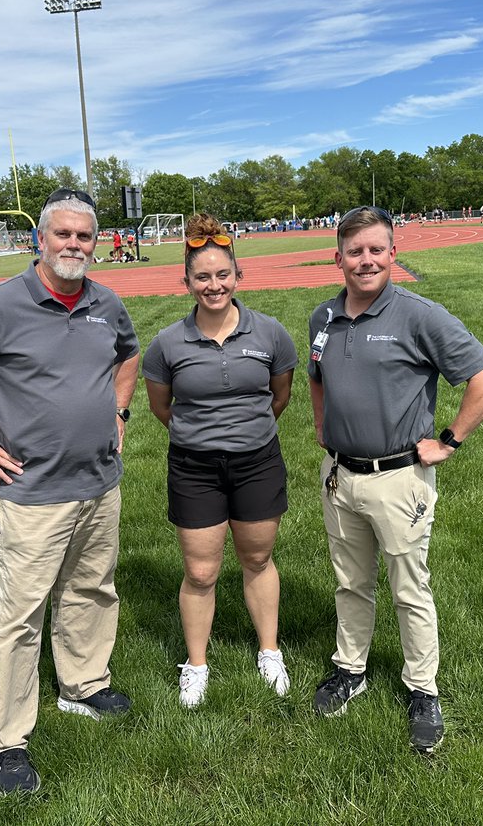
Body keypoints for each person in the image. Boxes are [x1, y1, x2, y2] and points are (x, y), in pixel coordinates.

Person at [0, 187, 140, 796]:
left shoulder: (105, 302)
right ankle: (9, 738)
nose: (73, 245)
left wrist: (119, 410)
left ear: (96, 242)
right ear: (39, 240)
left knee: (92, 587)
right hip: (32, 491)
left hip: (99, 482)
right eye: (61, 234)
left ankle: (84, 684)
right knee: (20, 617)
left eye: (83, 236)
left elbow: (127, 355)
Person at [306, 205, 483, 753]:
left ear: (394, 253)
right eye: (355, 251)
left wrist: (449, 440)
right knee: (351, 581)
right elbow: (317, 378)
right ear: (339, 258)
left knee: (409, 587)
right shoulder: (322, 317)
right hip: (341, 474)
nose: (365, 261)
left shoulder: (420, 315)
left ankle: (423, 688)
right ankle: (351, 668)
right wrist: (323, 426)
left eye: (376, 249)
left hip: (400, 477)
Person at [142, 214, 296, 709]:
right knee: (201, 572)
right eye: (202, 277)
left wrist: (241, 433)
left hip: (257, 462)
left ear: (238, 277)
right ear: (186, 282)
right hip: (194, 468)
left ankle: (269, 652)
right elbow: (162, 407)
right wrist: (202, 436)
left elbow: (279, 396)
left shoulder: (270, 333)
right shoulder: (167, 343)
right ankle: (197, 665)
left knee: (257, 559)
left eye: (222, 275)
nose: (214, 285)